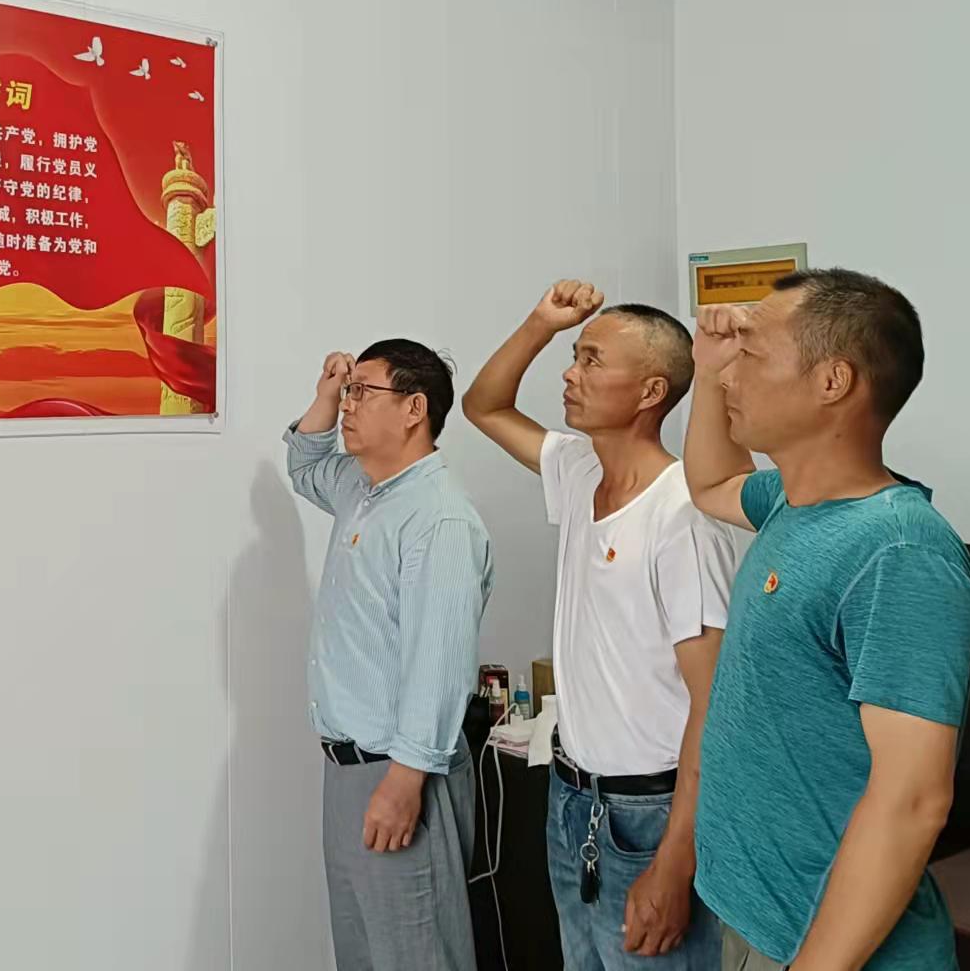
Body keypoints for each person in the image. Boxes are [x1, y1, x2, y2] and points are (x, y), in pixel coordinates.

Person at [684, 269, 970, 970]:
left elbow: (912, 800)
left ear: (832, 381)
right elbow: (709, 483)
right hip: (758, 921)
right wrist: (707, 368)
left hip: (830, 949)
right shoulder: (791, 503)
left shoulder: (899, 552)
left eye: (750, 355)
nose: (732, 375)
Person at [463, 280, 736, 970]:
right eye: (574, 355)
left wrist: (675, 861)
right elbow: (483, 405)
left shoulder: (683, 517)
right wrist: (541, 322)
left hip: (650, 816)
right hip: (572, 798)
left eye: (590, 360)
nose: (570, 373)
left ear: (650, 391)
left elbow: (714, 704)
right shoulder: (580, 469)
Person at [285, 340, 494, 971]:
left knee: (416, 954)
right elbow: (304, 465)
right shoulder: (364, 488)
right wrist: (327, 392)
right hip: (349, 770)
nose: (348, 405)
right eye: (349, 392)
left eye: (362, 392)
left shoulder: (439, 519)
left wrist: (404, 784)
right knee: (363, 954)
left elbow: (440, 665)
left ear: (414, 409)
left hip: (401, 773)